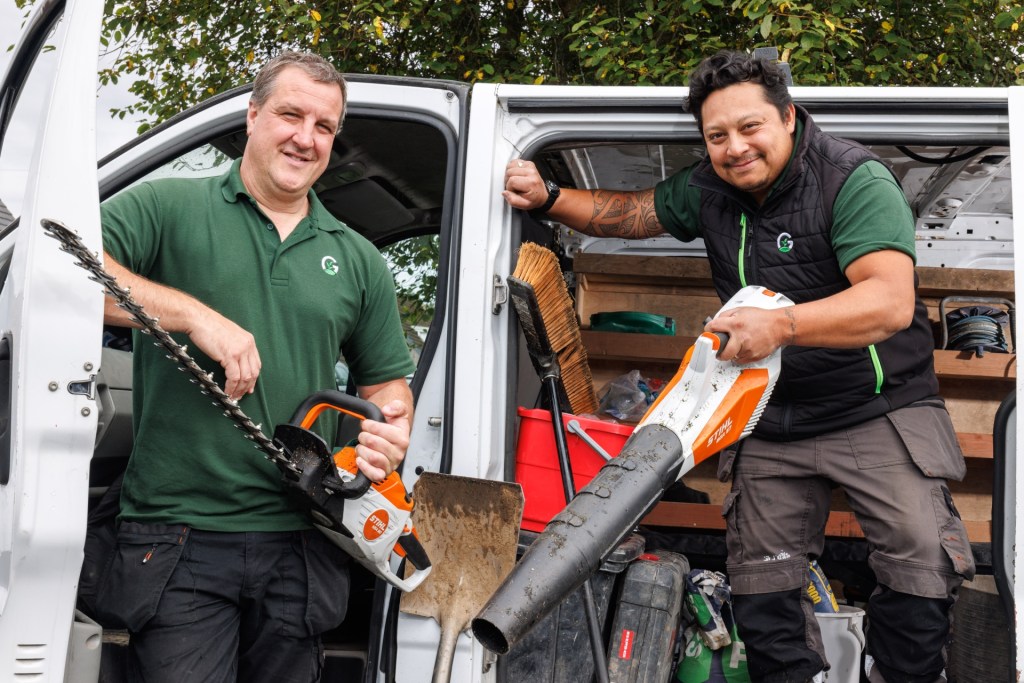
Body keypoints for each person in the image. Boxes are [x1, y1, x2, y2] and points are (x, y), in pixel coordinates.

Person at [503, 50, 973, 683]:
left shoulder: (853, 179)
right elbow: (632, 212)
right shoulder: (708, 189)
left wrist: (781, 325)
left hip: (877, 408)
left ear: (788, 117)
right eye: (717, 135)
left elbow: (888, 303)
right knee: (761, 590)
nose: (735, 148)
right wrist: (550, 196)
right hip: (769, 414)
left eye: (750, 127)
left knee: (921, 571)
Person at [94, 51, 416, 682]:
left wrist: (389, 433)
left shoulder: (357, 258)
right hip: (177, 539)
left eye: (324, 126)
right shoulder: (167, 206)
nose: (306, 138)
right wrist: (192, 315)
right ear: (252, 115)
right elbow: (63, 270)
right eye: (291, 115)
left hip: (304, 543)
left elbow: (386, 386)